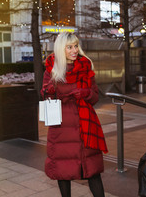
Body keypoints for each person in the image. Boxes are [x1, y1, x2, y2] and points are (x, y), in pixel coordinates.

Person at [41, 32, 108, 197]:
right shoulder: (52, 70)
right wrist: (50, 89)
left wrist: (85, 92)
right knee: (63, 173)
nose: (74, 50)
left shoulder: (86, 67)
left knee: (92, 172)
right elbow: (44, 94)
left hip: (85, 126)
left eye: (76, 46)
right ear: (60, 49)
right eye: (69, 47)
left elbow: (95, 96)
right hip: (62, 127)